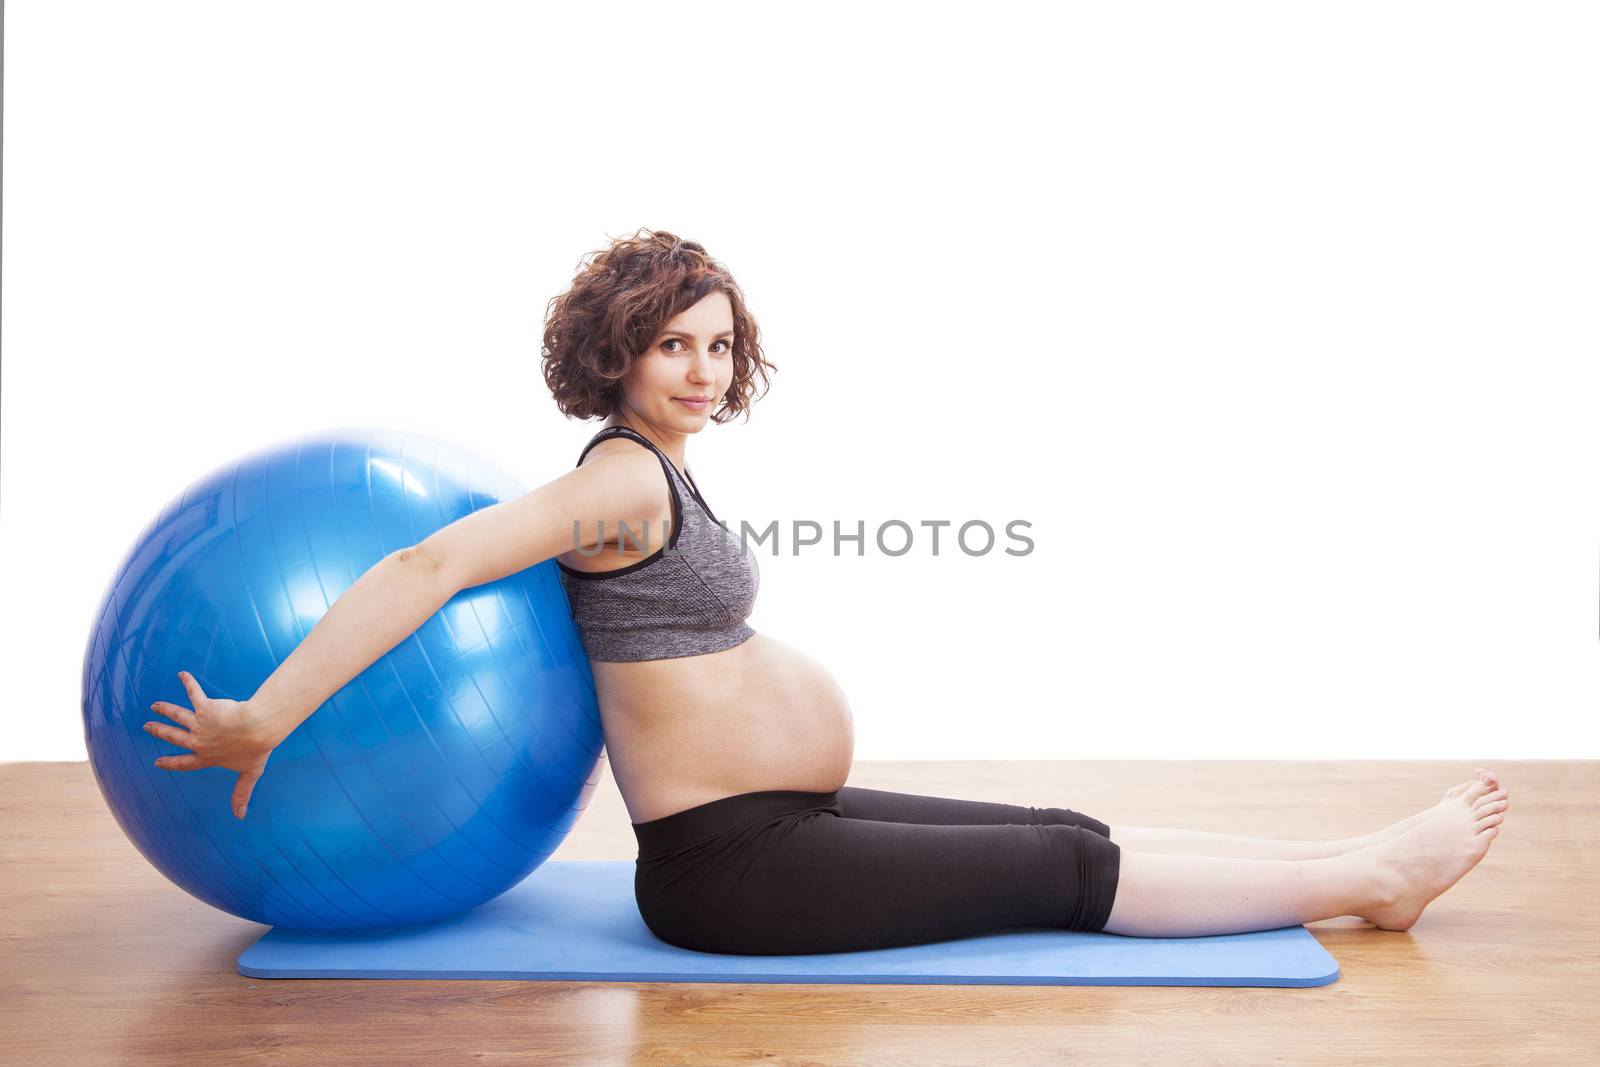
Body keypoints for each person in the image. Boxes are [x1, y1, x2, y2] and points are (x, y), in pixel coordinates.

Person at [145, 228, 1509, 954]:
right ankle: (1367, 875)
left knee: (1060, 822)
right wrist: (265, 716)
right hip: (734, 871)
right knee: (1057, 869)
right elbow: (425, 564)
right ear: (616, 357)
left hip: (781, 818)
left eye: (718, 345)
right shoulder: (617, 481)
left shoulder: (664, 475)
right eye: (669, 343)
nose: (698, 368)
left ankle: (1355, 883)